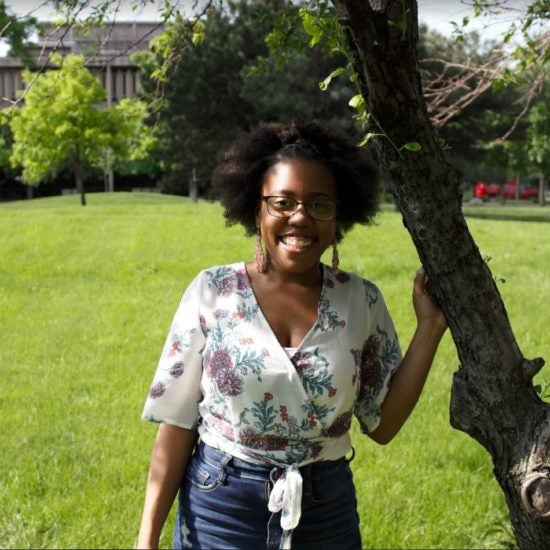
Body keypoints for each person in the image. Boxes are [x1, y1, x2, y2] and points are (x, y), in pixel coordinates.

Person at [137, 121, 447, 550]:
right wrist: (146, 538)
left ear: (338, 215)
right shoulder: (213, 292)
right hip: (220, 505)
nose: (300, 216)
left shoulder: (362, 301)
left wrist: (430, 327)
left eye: (319, 204)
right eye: (282, 202)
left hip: (326, 509)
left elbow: (384, 423)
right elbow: (177, 423)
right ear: (256, 209)